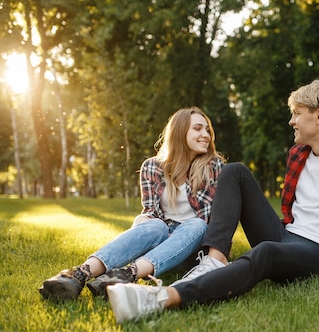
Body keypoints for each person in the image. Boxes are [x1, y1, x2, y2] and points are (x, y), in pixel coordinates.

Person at [106, 79, 319, 323]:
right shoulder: (298, 154)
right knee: (235, 171)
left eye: (297, 113)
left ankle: (162, 298)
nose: (291, 120)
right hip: (286, 234)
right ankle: (215, 260)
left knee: (266, 252)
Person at [39, 107, 225, 302]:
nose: (205, 135)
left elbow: (215, 219)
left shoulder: (214, 167)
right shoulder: (152, 167)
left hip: (190, 246)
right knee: (155, 224)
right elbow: (151, 211)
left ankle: (128, 274)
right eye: (198, 128)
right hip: (160, 242)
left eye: (207, 130)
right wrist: (143, 225)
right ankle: (77, 275)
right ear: (180, 132)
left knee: (197, 224)